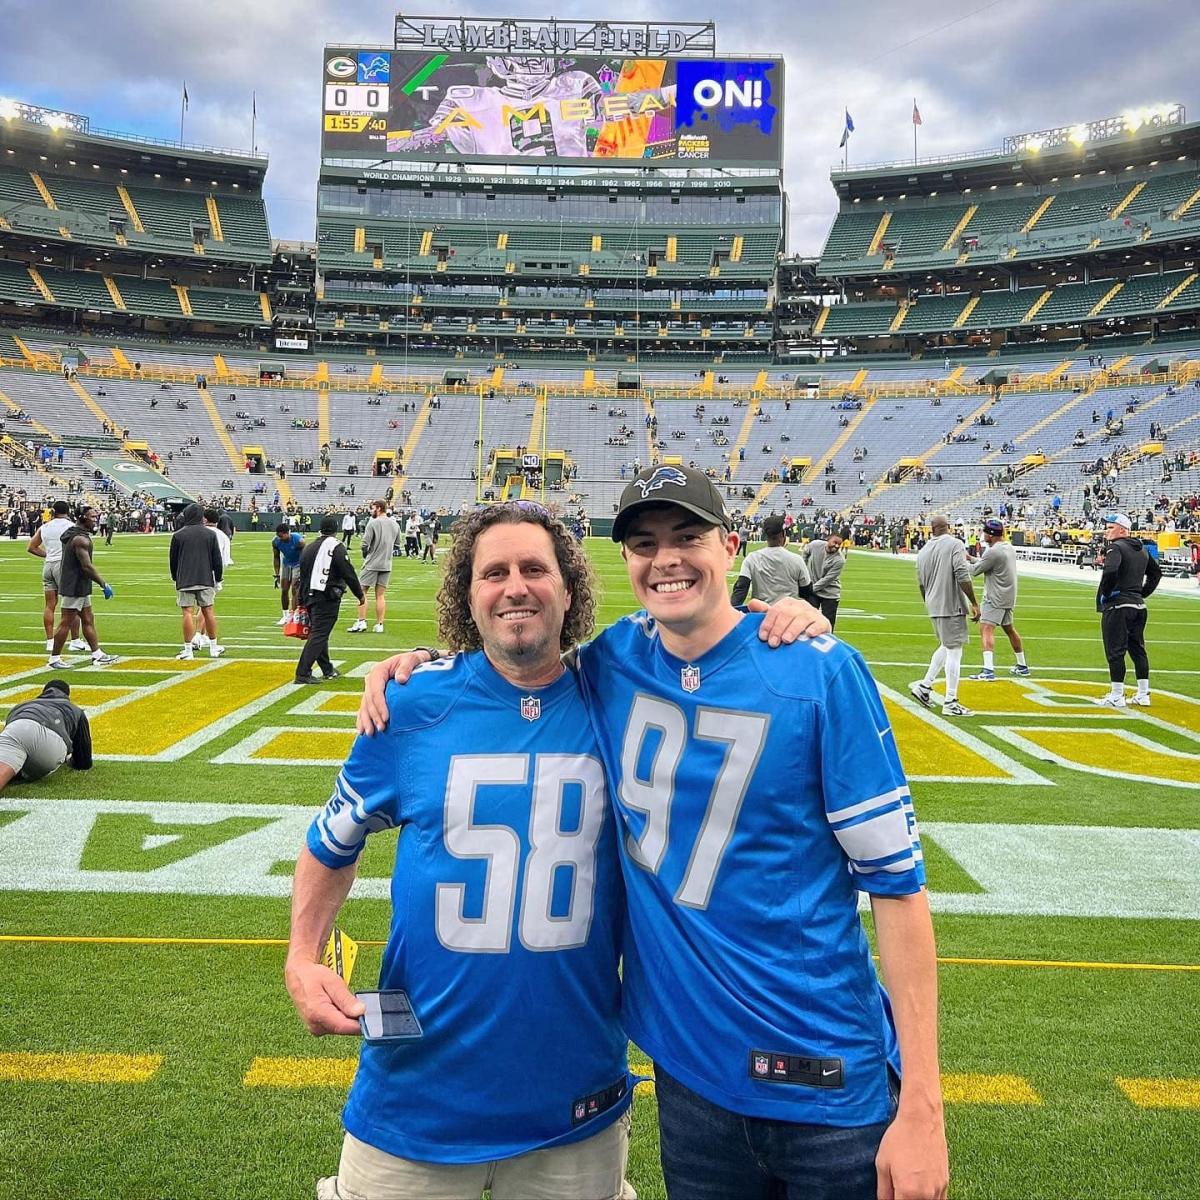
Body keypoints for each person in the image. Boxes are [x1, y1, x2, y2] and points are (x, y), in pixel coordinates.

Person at [362, 469, 945, 1200]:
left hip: (825, 1083)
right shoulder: (613, 662)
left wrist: (923, 1104)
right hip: (693, 1083)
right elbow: (518, 662)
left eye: (688, 538)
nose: (667, 559)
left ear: (728, 546)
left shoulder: (820, 672)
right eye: (645, 543)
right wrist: (418, 667)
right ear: (625, 563)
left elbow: (897, 887)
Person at [288, 504, 633, 1199]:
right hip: (417, 1089)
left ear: (569, 589)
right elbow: (332, 842)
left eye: (535, 569)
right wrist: (302, 955)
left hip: (574, 1092)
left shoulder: (625, 700)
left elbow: (709, 646)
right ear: (466, 595)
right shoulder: (413, 703)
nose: (515, 587)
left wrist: (787, 618)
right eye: (493, 572)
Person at [910, 515, 980, 718]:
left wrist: (929, 601)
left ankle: (924, 686)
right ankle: (951, 700)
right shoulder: (954, 544)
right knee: (955, 651)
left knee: (946, 646)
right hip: (951, 604)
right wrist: (974, 602)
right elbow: (961, 572)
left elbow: (921, 582)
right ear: (948, 527)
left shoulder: (923, 551)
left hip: (933, 603)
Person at [1093, 512, 1161, 708]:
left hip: (1119, 606)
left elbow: (1111, 570)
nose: (1106, 531)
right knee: (1138, 650)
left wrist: (1107, 592)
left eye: (1110, 527)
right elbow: (1156, 574)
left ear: (1122, 529)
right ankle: (1143, 693)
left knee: (1115, 651)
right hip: (1138, 606)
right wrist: (1141, 593)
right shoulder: (1142, 549)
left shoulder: (1115, 547)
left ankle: (1116, 695)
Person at [295, 515, 364, 683]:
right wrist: (359, 594)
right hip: (326, 596)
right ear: (336, 528)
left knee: (319, 632)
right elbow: (348, 572)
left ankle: (327, 669)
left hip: (309, 595)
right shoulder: (336, 547)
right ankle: (303, 672)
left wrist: (301, 599)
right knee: (319, 633)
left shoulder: (310, 547)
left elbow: (301, 575)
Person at [47, 506, 118, 669]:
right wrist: (103, 583)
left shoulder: (75, 534)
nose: (96, 519)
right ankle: (54, 658)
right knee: (66, 622)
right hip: (75, 585)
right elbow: (86, 566)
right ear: (83, 518)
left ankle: (97, 654)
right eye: (92, 517)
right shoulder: (80, 539)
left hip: (79, 583)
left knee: (87, 619)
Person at [0, 680, 91, 793]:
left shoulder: (21, 706)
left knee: (7, 764)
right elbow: (84, 762)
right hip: (51, 746)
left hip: (20, 727)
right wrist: (70, 760)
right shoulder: (74, 709)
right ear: (67, 696)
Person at [967, 519, 1030, 681]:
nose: (983, 535)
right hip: (1008, 596)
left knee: (986, 628)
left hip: (995, 596)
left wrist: (959, 563)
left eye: (985, 532)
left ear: (991, 534)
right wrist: (970, 557)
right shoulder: (1007, 547)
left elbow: (975, 571)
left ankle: (988, 670)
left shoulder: (993, 552)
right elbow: (987, 564)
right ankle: (1022, 665)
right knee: (1009, 629)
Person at [27, 500, 86, 654]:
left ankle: (49, 640)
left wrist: (48, 555)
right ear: (68, 511)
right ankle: (75, 640)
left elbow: (31, 547)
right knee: (72, 604)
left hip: (48, 566)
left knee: (49, 605)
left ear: (53, 512)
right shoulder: (71, 527)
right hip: (64, 566)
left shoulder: (44, 527)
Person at [170, 503, 224, 661]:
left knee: (187, 612)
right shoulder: (210, 534)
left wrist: (176, 577)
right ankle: (213, 647)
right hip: (205, 578)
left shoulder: (178, 535)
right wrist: (218, 577)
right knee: (208, 612)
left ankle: (188, 650)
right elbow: (217, 560)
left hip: (185, 578)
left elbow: (173, 560)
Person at [729, 513, 814, 605]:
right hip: (789, 614)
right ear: (783, 534)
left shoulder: (752, 558)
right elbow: (806, 591)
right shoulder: (797, 560)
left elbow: (741, 589)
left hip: (762, 615)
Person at [348, 501, 402, 634]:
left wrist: (366, 554)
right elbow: (397, 543)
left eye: (372, 508)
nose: (371, 511)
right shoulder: (395, 524)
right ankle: (379, 624)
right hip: (386, 563)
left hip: (372, 562)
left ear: (378, 508)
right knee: (380, 595)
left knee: (361, 592)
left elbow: (364, 544)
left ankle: (361, 622)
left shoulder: (373, 523)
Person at [800, 528, 849, 629]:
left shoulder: (839, 560)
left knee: (827, 624)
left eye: (839, 545)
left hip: (830, 592)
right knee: (807, 619)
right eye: (834, 542)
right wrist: (804, 570)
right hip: (813, 589)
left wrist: (809, 589)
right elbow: (805, 554)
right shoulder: (815, 545)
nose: (836, 546)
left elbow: (827, 580)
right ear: (828, 539)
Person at [272, 522, 306, 627]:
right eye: (278, 535)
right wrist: (277, 574)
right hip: (286, 564)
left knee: (295, 590)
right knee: (284, 589)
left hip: (298, 564)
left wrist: (303, 571)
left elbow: (305, 555)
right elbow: (276, 557)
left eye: (281, 536)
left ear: (287, 533)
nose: (280, 538)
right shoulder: (276, 541)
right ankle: (285, 615)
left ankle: (294, 614)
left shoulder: (298, 540)